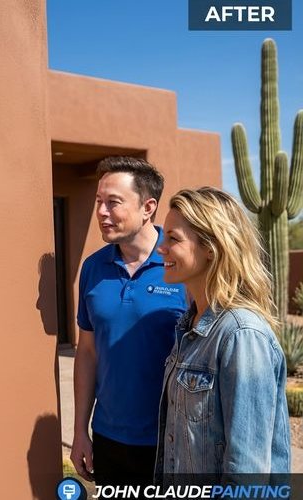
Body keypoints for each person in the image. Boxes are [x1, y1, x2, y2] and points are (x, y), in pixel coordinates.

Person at [154, 187, 290, 478]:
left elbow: (247, 470)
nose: (160, 248)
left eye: (173, 238)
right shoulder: (189, 326)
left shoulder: (242, 335)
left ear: (210, 248)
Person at [71, 157, 187, 486]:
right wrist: (80, 430)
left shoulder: (180, 265)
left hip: (171, 441)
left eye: (113, 202)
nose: (102, 212)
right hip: (108, 439)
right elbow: (88, 352)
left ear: (148, 207)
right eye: (98, 202)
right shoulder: (92, 269)